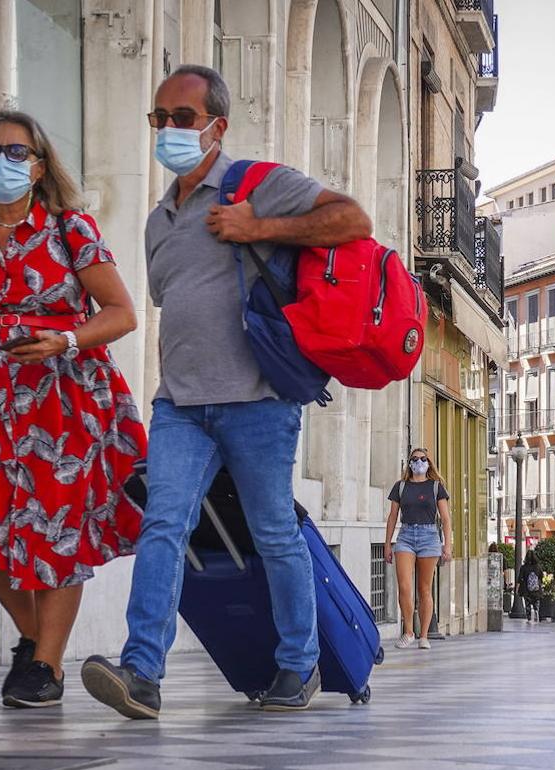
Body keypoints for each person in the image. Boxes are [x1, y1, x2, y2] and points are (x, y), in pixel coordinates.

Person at [80, 65, 371, 719]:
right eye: (159, 119)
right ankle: (143, 674)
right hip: (179, 404)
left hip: (258, 400)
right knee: (162, 527)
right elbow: (171, 301)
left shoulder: (257, 187)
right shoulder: (159, 221)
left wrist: (259, 229)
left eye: (182, 118)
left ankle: (299, 667)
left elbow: (353, 219)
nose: (168, 131)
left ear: (217, 125)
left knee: (273, 535)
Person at [0, 110, 147, 708]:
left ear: (39, 166)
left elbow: (121, 312)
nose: (1, 163)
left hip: (63, 401)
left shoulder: (72, 230)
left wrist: (63, 340)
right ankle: (37, 637)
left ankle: (46, 667)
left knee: (56, 533)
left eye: (15, 153)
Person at [383, 449, 453, 651]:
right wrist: (388, 544)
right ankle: (408, 632)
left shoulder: (436, 487)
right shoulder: (401, 486)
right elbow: (392, 517)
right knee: (404, 586)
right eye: (415, 459)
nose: (419, 462)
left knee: (424, 589)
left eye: (423, 459)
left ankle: (424, 636)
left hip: (429, 537)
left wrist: (447, 544)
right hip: (405, 536)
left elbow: (446, 518)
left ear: (429, 463)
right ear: (410, 464)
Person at [517, 550, 544, 622]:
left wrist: (517, 588)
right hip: (536, 589)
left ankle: (529, 618)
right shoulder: (538, 567)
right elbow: (541, 577)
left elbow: (520, 579)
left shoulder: (523, 567)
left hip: (526, 589)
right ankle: (536, 611)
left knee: (527, 604)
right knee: (536, 602)